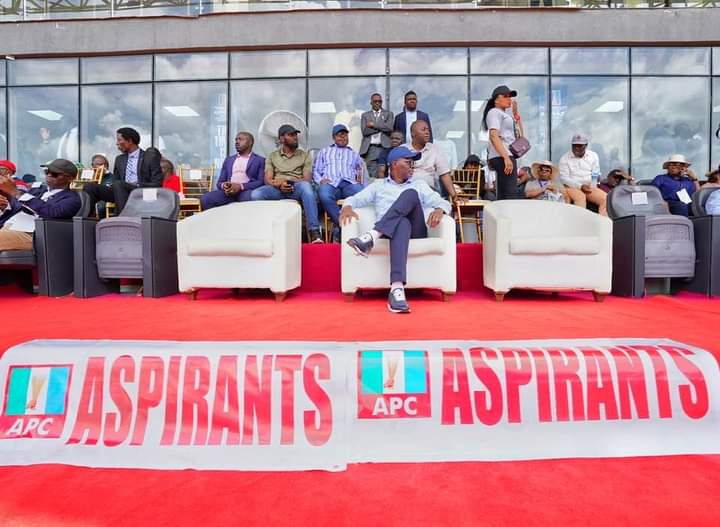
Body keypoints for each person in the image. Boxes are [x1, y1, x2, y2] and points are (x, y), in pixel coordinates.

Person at [340, 146, 451, 314]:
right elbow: (354, 199)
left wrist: (440, 209)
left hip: (416, 233)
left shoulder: (419, 185)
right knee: (402, 222)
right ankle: (397, 289)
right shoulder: (378, 186)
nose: (412, 166)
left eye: (413, 163)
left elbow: (444, 202)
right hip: (391, 234)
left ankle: (371, 236)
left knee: (410, 194)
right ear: (394, 164)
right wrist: (347, 207)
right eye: (408, 162)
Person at [251, 124, 322, 243]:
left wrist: (288, 180)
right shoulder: (272, 156)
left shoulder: (304, 155)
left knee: (306, 187)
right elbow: (268, 180)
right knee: (256, 194)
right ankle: (265, 231)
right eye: (291, 135)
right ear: (282, 139)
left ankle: (314, 231)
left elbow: (307, 179)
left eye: (295, 135)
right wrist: (279, 184)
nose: (295, 137)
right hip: (277, 189)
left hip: (296, 188)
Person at [0, 159, 81, 251]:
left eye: (55, 174)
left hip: (33, 235)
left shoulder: (72, 199)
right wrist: (5, 206)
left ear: (70, 178)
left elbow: (53, 212)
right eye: (47, 171)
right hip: (11, 225)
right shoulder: (37, 190)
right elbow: (19, 206)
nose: (49, 175)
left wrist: (16, 192)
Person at [83, 127, 163, 214]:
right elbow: (116, 181)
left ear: (130, 141)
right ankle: (86, 217)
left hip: (140, 191)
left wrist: (137, 184)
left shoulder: (149, 157)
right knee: (90, 187)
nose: (117, 143)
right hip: (119, 191)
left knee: (119, 184)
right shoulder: (119, 159)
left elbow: (157, 183)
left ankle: (123, 216)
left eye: (119, 140)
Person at [313, 124, 365, 243]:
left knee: (362, 193)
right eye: (339, 135)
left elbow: (361, 170)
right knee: (324, 194)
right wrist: (320, 180)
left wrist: (360, 181)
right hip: (331, 184)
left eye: (345, 135)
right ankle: (343, 226)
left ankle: (342, 229)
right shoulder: (325, 151)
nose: (343, 137)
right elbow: (315, 170)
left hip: (349, 184)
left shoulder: (354, 154)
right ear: (333, 137)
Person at [201, 132, 265, 210]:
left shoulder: (260, 160)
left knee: (251, 198)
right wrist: (224, 185)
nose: (237, 142)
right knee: (206, 199)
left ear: (250, 142)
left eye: (240, 139)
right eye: (236, 140)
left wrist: (240, 186)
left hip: (246, 191)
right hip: (228, 192)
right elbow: (219, 182)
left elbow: (260, 182)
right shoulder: (229, 160)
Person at [482, 85, 524, 200]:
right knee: (510, 194)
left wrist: (516, 115)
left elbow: (520, 137)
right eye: (505, 96)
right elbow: (493, 135)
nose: (509, 99)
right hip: (503, 156)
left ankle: (503, 211)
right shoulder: (494, 112)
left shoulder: (505, 115)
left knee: (505, 194)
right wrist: (506, 157)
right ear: (496, 100)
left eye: (510, 96)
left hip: (506, 155)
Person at [403, 120, 456, 200]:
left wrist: (454, 196)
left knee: (443, 205)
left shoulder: (435, 149)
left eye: (428, 130)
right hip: (407, 192)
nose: (427, 132)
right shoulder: (402, 150)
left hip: (429, 193)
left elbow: (444, 174)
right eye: (423, 130)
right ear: (413, 134)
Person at [558, 133, 607, 215]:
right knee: (580, 198)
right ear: (571, 145)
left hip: (589, 186)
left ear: (586, 145)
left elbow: (595, 173)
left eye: (580, 146)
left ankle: (603, 221)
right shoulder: (564, 159)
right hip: (572, 187)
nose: (577, 148)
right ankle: (578, 222)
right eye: (575, 145)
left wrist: (593, 185)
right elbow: (564, 179)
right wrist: (580, 186)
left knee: (606, 198)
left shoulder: (593, 155)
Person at [360, 93, 394, 181]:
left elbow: (390, 128)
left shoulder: (388, 114)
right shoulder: (365, 115)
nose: (377, 103)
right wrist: (382, 127)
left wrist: (373, 125)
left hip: (385, 147)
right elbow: (365, 131)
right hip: (371, 149)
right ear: (371, 102)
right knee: (373, 176)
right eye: (375, 101)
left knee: (386, 174)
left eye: (380, 101)